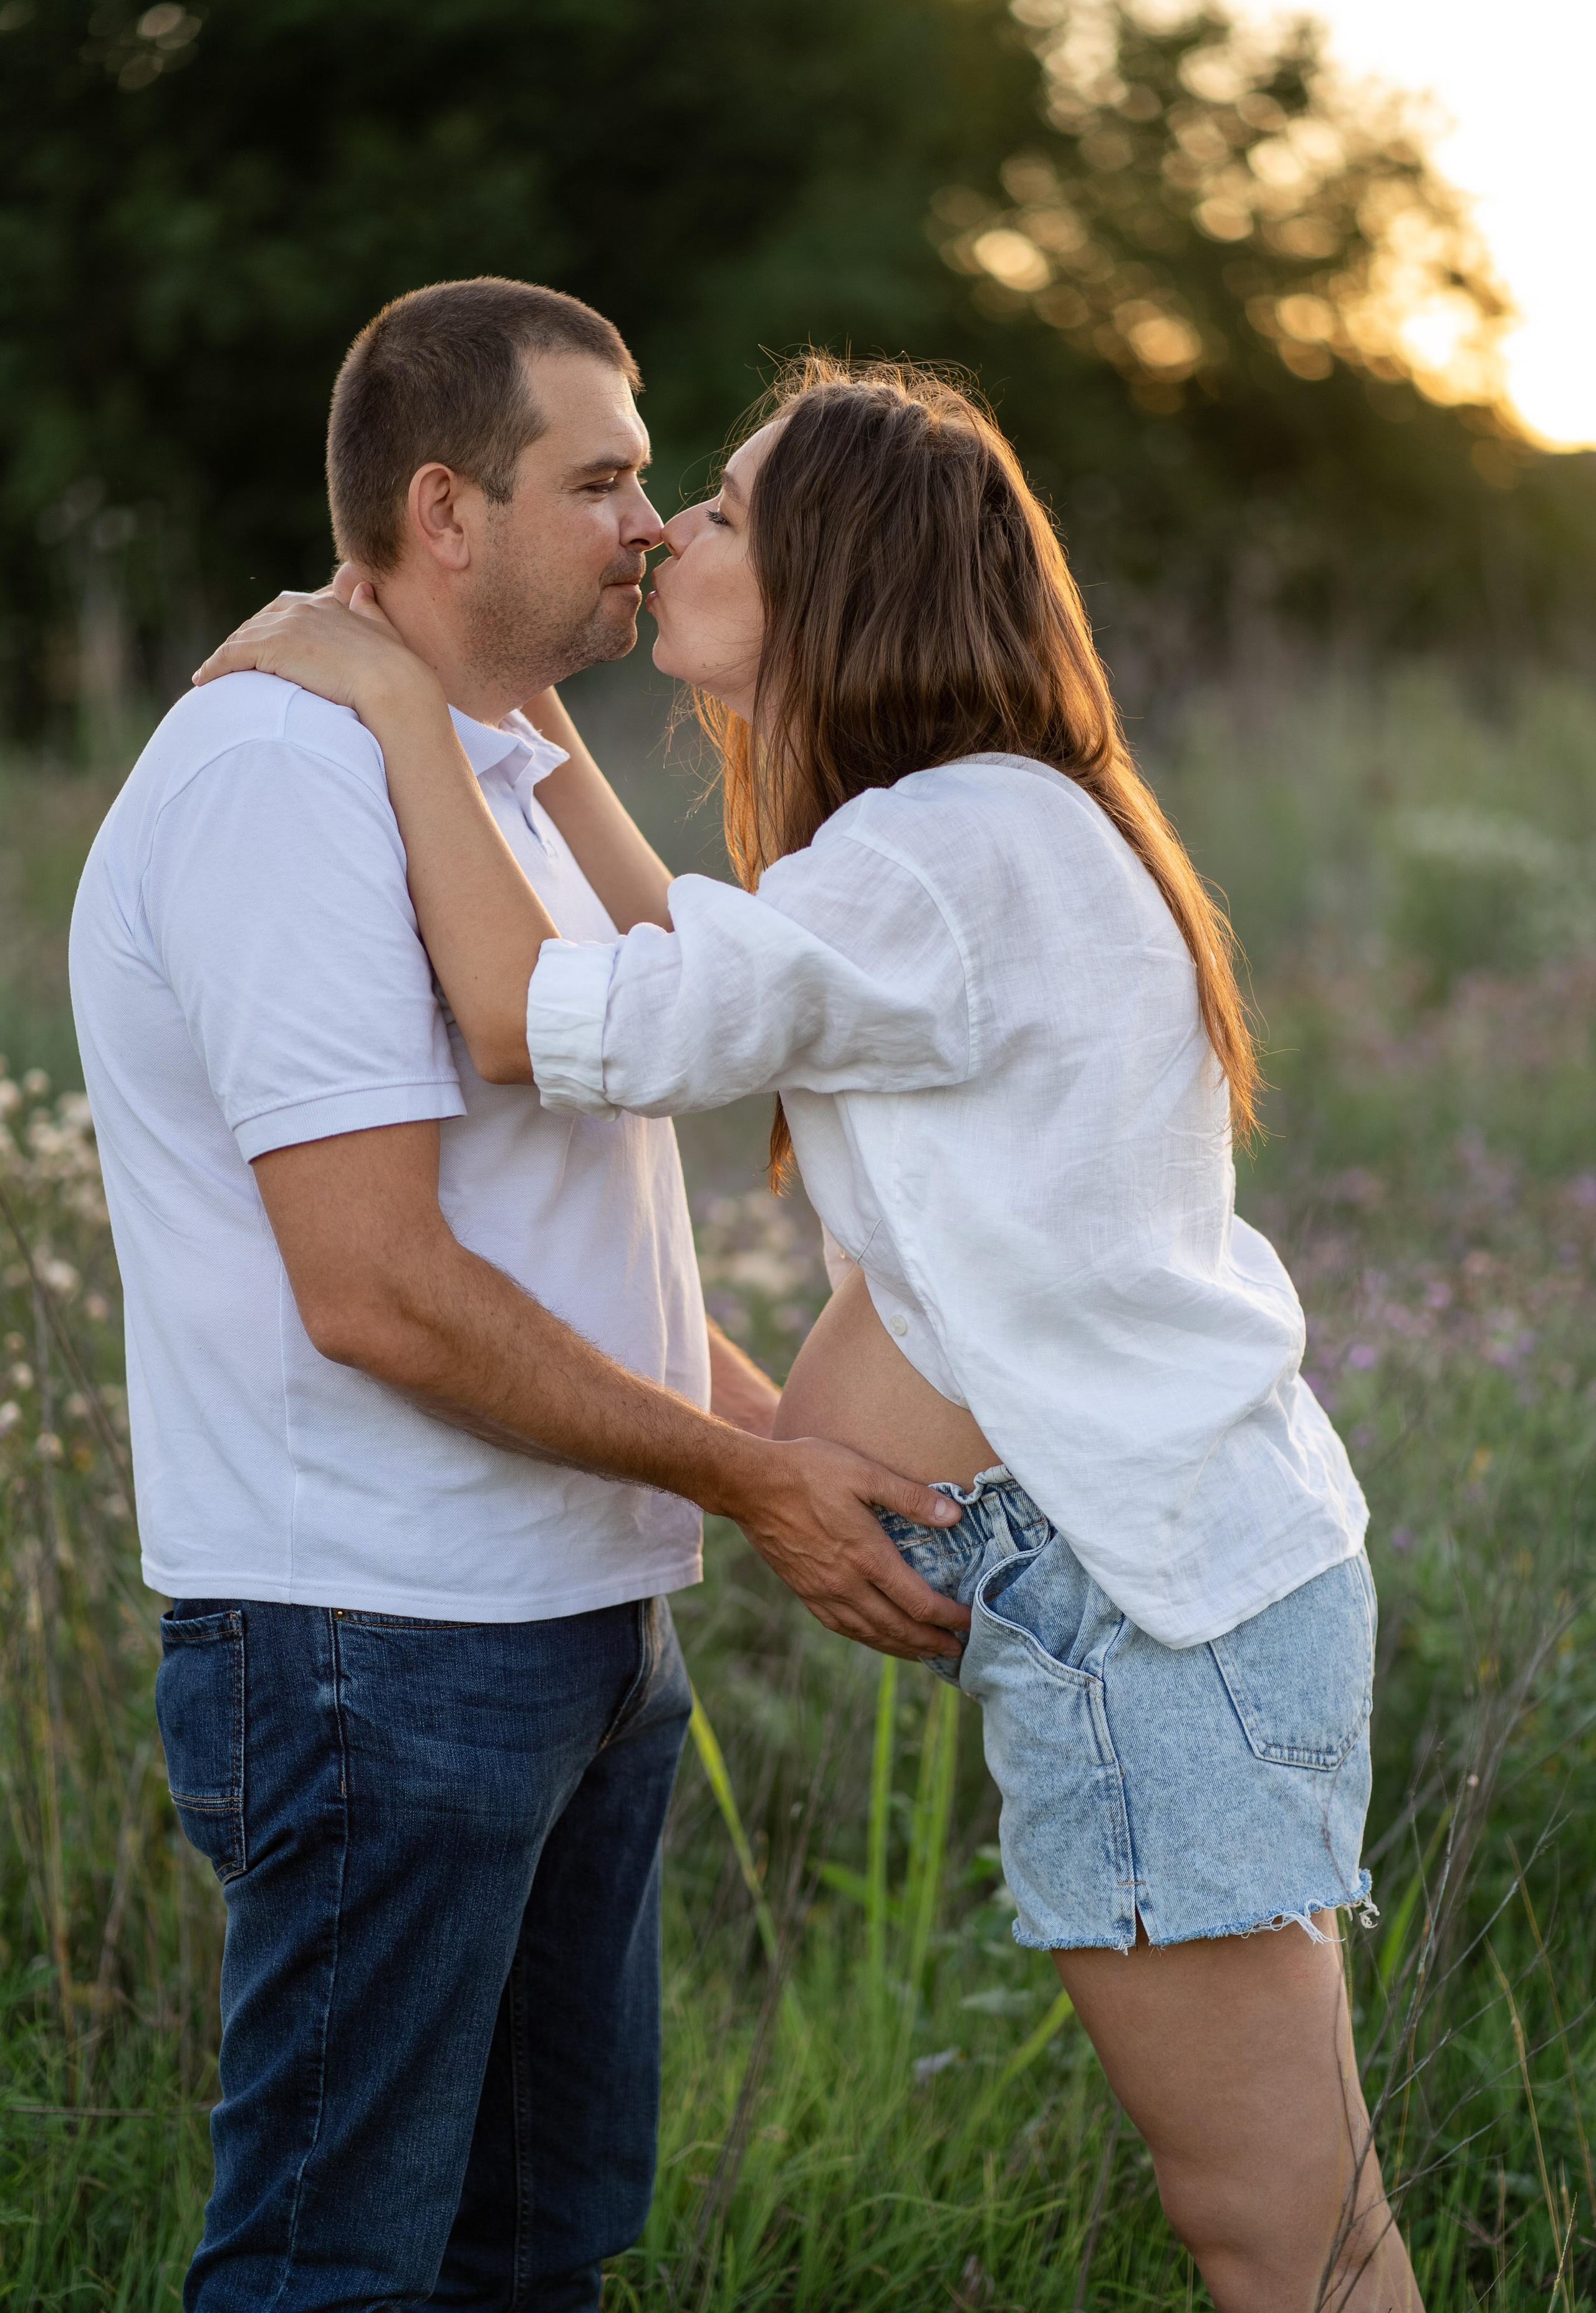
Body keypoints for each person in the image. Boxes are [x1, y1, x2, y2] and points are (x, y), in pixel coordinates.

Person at [199, 353, 1423, 2312]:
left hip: (1148, 1612)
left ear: (839, 575)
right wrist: (518, 721)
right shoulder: (965, 834)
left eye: (731, 510)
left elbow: (545, 1019)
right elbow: (679, 968)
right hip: (1115, 1587)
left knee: (1281, 2234)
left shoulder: (948, 851)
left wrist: (388, 697)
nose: (672, 528)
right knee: (1278, 2224)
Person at [70, 291, 966, 2313]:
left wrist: (781, 1457)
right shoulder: (282, 779)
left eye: (653, 481)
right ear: (446, 510)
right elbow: (380, 1292)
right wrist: (754, 1489)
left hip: (572, 1628)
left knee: (537, 2249)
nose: (648, 524)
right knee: (341, 2271)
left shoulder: (497, 765)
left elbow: (585, 1242)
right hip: (372, 1645)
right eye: (606, 481)